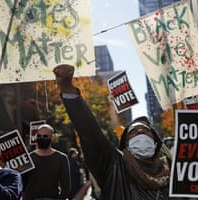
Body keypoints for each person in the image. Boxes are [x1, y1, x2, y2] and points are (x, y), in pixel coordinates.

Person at [53, 64, 171, 199]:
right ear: (125, 144)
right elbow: (90, 134)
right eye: (133, 132)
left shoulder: (175, 172)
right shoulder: (113, 166)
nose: (139, 132)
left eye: (145, 131)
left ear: (156, 143)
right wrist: (68, 90)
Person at [22, 124, 71, 200]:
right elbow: (22, 184)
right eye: (39, 136)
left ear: (52, 137)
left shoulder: (62, 158)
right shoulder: (28, 158)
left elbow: (66, 188)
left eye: (45, 136)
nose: (41, 138)